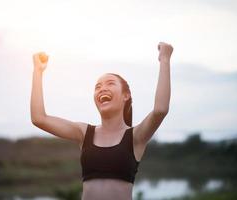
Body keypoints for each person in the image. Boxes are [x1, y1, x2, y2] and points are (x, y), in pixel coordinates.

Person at [30, 42, 173, 200]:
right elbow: (39, 118)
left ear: (126, 96)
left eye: (110, 83)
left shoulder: (136, 137)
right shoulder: (84, 133)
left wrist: (164, 59)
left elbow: (160, 110)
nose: (102, 88)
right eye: (97, 86)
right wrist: (38, 71)